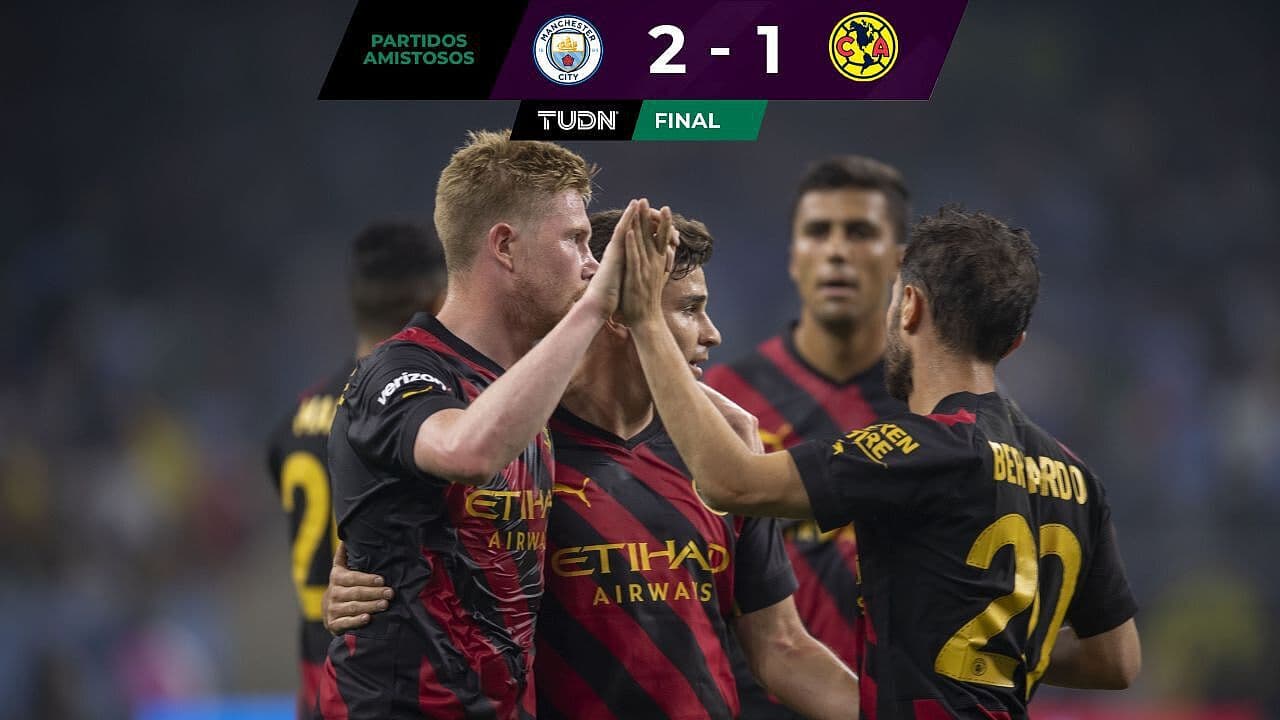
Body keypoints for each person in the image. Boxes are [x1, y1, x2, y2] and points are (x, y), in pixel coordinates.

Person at [326, 209, 861, 719]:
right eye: (690, 309)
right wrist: (365, 582)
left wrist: (896, 708)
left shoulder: (722, 453)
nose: (712, 333)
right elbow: (424, 580)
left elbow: (782, 648)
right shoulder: (517, 447)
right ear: (621, 314)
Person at [621, 206, 1142, 719]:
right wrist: (989, 642)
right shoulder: (1077, 476)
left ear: (910, 306)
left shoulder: (924, 448)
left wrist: (646, 321)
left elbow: (731, 484)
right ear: (1014, 343)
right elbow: (1115, 660)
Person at [320, 130, 662, 719]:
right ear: (504, 246)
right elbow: (468, 451)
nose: (591, 265)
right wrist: (592, 309)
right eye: (575, 240)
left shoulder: (527, 388)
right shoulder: (398, 370)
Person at [702, 156, 908, 716]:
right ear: (795, 257)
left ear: (899, 260)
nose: (837, 251)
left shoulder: (936, 408)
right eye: (819, 232)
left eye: (859, 232)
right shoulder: (722, 400)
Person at [265, 221, 446, 720]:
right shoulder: (419, 421)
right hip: (385, 683)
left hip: (315, 685)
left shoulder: (291, 424)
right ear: (435, 300)